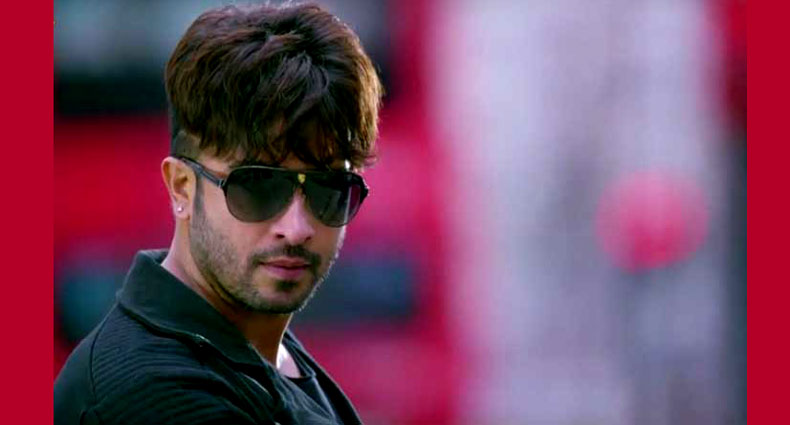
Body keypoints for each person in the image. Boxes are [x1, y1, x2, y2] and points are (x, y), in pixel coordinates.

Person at [54, 2, 382, 424]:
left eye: (328, 189)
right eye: (258, 188)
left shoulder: (256, 350)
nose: (297, 228)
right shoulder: (156, 390)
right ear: (181, 187)